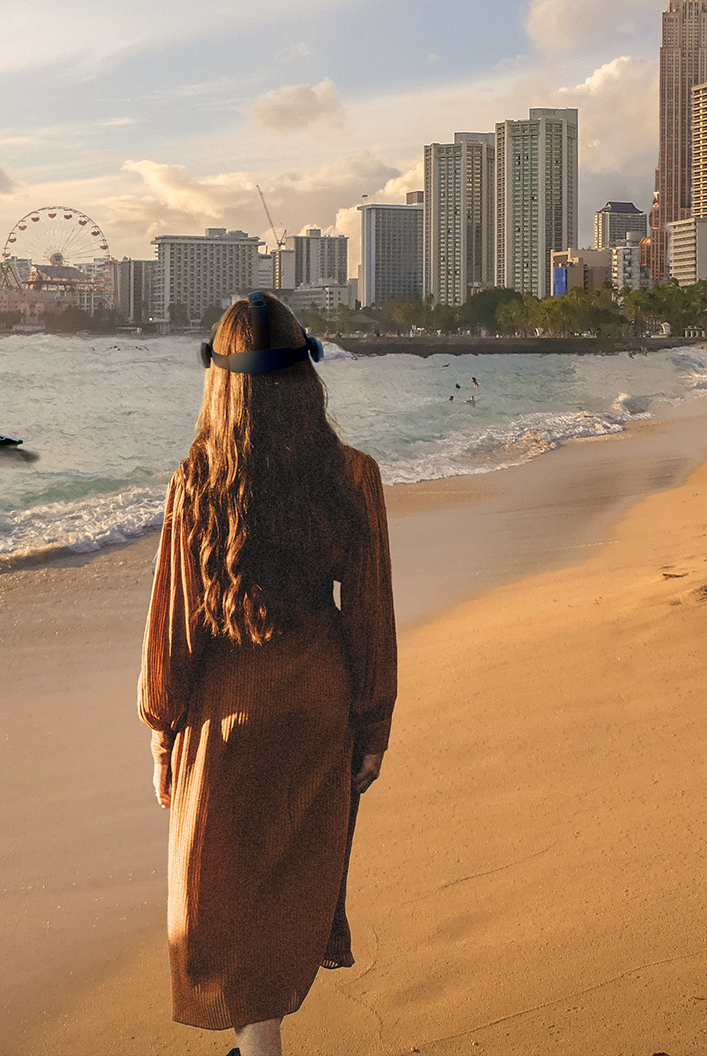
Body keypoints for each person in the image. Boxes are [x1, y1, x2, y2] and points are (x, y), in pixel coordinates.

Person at [140, 292, 397, 1056]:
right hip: (318, 699)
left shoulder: (197, 481)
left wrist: (161, 729)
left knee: (217, 889)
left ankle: (260, 1049)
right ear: (305, 375)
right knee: (291, 878)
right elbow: (370, 614)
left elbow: (175, 622)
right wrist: (372, 726)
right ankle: (262, 1044)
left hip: (223, 709)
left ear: (220, 380)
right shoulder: (352, 475)